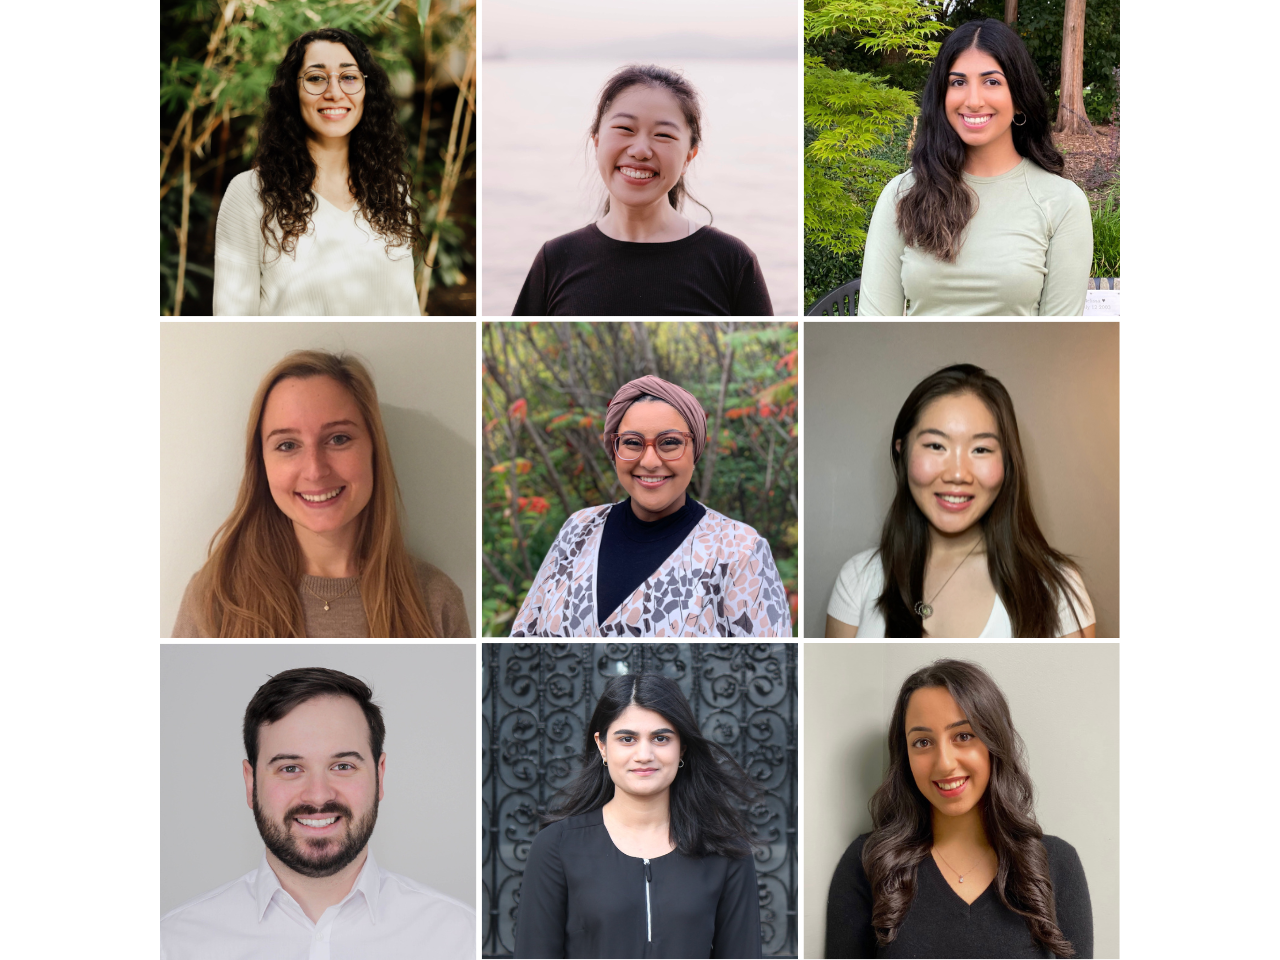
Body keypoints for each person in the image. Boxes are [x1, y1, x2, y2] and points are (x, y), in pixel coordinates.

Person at [161, 667, 475, 959]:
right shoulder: (171, 944)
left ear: (379, 776)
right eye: (290, 768)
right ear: (250, 781)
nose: (318, 795)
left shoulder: (460, 938)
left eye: (342, 766)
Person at [172, 350, 469, 638]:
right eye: (288, 445)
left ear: (374, 449)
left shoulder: (435, 601)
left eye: (338, 439)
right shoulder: (216, 598)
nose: (315, 470)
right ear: (261, 464)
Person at [825, 660, 1093, 958]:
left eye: (963, 736)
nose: (945, 763)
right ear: (906, 757)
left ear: (994, 743)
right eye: (922, 742)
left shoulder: (1057, 864)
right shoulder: (869, 863)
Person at [826, 364, 1095, 638]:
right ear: (903, 451)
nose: (957, 474)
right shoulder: (858, 579)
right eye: (936, 446)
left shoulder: (1056, 587)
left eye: (980, 449)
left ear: (1007, 462)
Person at [509, 375, 791, 637]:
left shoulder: (739, 550)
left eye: (669, 442)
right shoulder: (578, 529)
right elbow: (524, 635)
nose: (650, 461)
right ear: (614, 449)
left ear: (696, 450)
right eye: (632, 443)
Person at [515, 673, 762, 959]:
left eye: (660, 738)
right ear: (603, 745)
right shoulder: (556, 847)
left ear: (681, 746)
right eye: (627, 739)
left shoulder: (728, 853)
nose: (644, 754)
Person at [857, 19, 1092, 316]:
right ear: (942, 96)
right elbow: (874, 327)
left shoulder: (1062, 203)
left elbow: (1061, 344)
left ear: (1019, 98)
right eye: (958, 82)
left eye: (992, 81)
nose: (973, 100)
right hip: (916, 363)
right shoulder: (901, 195)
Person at [513, 64, 772, 315]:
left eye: (663, 135)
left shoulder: (731, 261)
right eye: (625, 129)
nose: (640, 150)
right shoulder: (556, 259)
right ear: (597, 141)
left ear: (688, 158)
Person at [214, 28, 421, 315]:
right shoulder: (250, 194)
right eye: (315, 78)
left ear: (366, 90)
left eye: (349, 77)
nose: (334, 93)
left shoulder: (393, 189)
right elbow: (233, 325)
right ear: (293, 91)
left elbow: (407, 311)